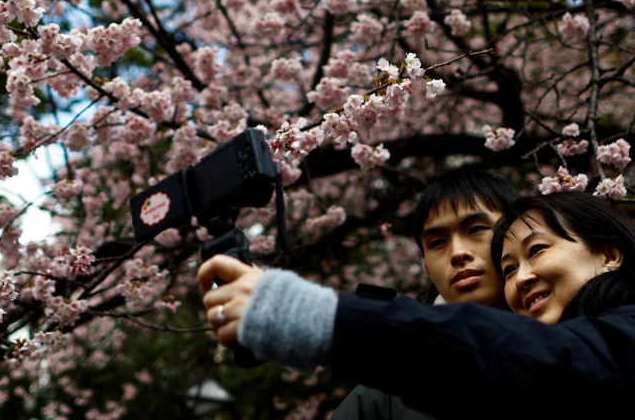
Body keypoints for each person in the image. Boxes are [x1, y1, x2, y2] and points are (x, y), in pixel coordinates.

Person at [199, 191, 635, 420]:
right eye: (508, 268)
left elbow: (549, 361)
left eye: (536, 250)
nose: (520, 278)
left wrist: (319, 317)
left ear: (609, 253)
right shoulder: (384, 395)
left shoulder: (616, 335)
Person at [331, 168, 517, 419]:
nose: (457, 253)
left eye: (475, 229)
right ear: (428, 270)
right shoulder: (388, 390)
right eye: (438, 243)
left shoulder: (576, 345)